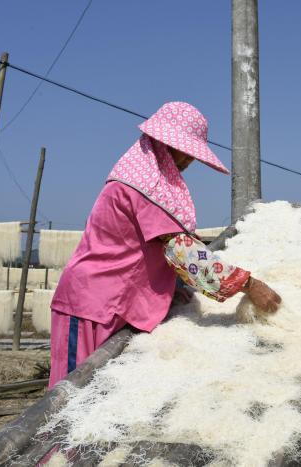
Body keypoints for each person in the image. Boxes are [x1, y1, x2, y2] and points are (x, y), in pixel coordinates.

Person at [48, 102, 282, 388]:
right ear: (166, 144)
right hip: (90, 306)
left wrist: (174, 288)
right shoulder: (144, 187)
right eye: (187, 152)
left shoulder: (143, 178)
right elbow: (182, 251)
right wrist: (248, 284)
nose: (190, 161)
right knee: (71, 396)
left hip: (110, 302)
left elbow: (148, 250)